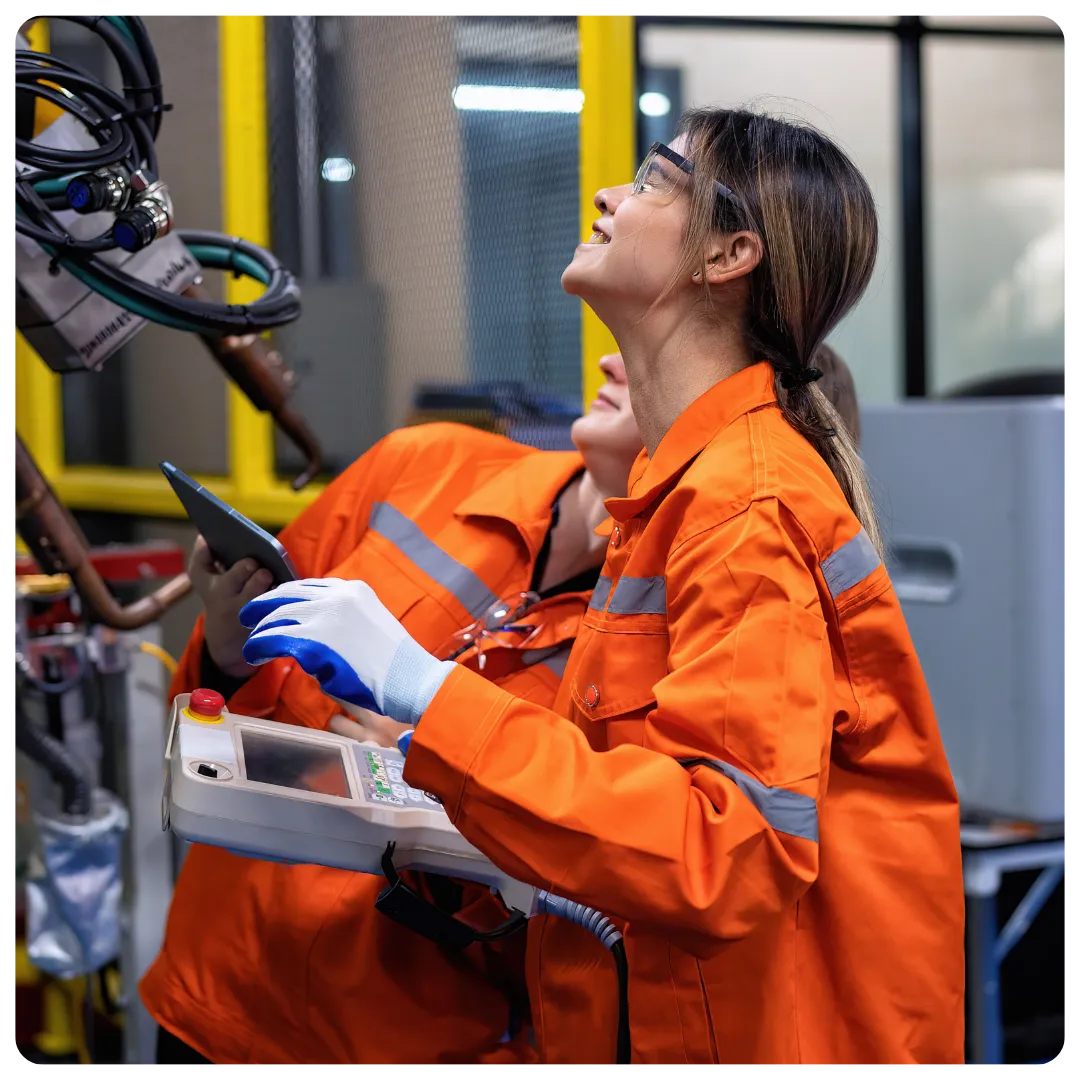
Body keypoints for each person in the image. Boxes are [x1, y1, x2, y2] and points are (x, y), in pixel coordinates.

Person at [240, 108, 966, 1068]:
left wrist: (427, 692)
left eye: (657, 179)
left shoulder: (742, 506)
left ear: (729, 253)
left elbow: (725, 850)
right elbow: (630, 808)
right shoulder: (683, 492)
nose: (608, 196)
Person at [141, 352, 646, 1067]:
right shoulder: (426, 463)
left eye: (659, 336)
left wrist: (438, 772)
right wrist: (227, 651)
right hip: (220, 987)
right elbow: (217, 713)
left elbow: (581, 899)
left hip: (396, 1042)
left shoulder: (656, 639)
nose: (610, 355)